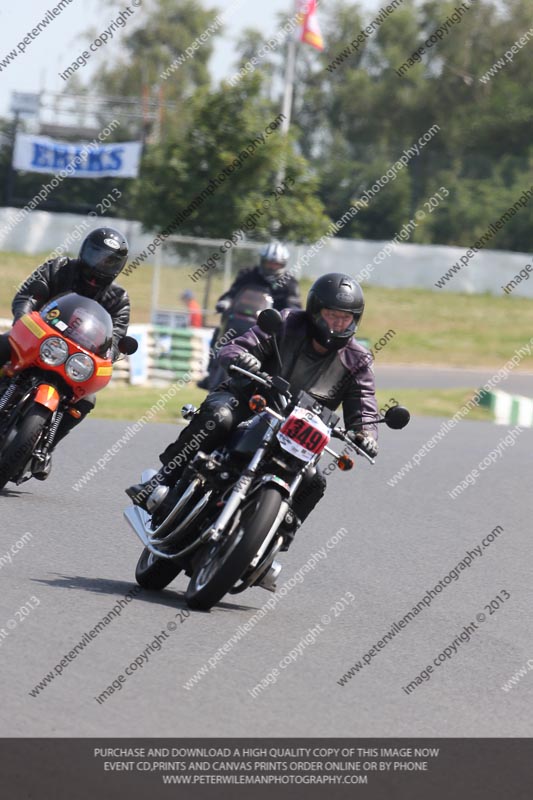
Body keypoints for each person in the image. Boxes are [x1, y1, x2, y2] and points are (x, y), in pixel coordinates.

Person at [127, 273, 378, 548]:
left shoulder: (357, 360)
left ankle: (275, 540)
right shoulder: (285, 323)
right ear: (315, 311)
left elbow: (363, 401)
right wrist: (242, 358)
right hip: (251, 401)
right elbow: (236, 346)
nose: (338, 323)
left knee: (314, 480)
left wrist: (366, 433)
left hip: (298, 431)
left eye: (345, 318)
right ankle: (163, 480)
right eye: (332, 315)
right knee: (219, 419)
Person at [0, 227, 131, 479]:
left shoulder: (118, 299)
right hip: (38, 339)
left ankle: (46, 449)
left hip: (75, 359)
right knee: (3, 345)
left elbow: (115, 339)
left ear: (119, 266)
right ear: (84, 250)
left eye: (109, 260)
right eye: (96, 254)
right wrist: (23, 318)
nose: (100, 264)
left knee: (86, 401)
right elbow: (28, 296)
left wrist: (109, 353)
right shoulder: (58, 268)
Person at [197, 241, 301, 389]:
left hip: (266, 328)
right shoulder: (248, 274)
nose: (272, 267)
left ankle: (273, 377)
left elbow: (294, 307)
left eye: (276, 264)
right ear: (262, 261)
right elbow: (233, 292)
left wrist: (281, 317)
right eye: (269, 263)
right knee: (218, 333)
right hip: (239, 320)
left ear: (283, 264)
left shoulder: (289, 283)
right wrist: (225, 302)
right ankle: (211, 372)